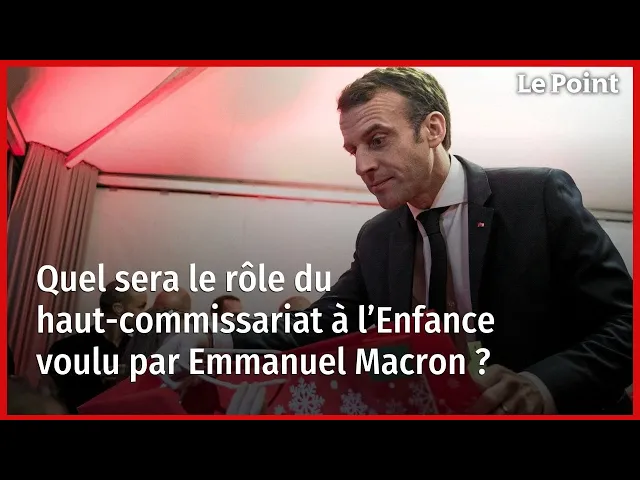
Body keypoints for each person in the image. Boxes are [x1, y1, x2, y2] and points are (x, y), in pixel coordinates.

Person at [159, 67, 632, 415]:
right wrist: (216, 339)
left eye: (378, 140)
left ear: (433, 129)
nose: (361, 165)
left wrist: (541, 386)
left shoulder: (537, 197)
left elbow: (624, 322)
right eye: (353, 149)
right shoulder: (377, 237)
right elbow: (321, 323)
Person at [48, 280, 147, 412]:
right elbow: (55, 399)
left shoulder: (140, 349)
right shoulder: (66, 348)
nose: (144, 314)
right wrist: (101, 378)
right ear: (118, 309)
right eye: (140, 307)